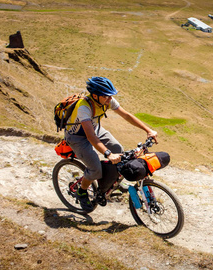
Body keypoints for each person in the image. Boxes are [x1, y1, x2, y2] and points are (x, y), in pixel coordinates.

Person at [65, 76, 158, 212]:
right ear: (95, 95)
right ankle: (81, 191)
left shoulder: (106, 99)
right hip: (77, 137)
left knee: (118, 149)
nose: (110, 99)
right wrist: (107, 154)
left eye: (110, 96)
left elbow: (126, 115)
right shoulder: (84, 107)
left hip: (94, 129)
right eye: (106, 96)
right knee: (95, 168)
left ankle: (111, 182)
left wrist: (148, 130)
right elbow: (90, 136)